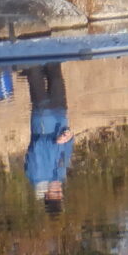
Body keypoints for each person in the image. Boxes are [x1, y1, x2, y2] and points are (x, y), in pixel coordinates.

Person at [23, 63, 74, 211]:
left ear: (47, 195)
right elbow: (67, 149)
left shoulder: (35, 175)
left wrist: (55, 141)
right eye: (60, 193)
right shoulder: (61, 175)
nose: (59, 189)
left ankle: (25, 51)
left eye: (55, 193)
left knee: (34, 73)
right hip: (60, 114)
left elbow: (35, 147)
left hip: (42, 115)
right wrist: (69, 137)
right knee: (56, 74)